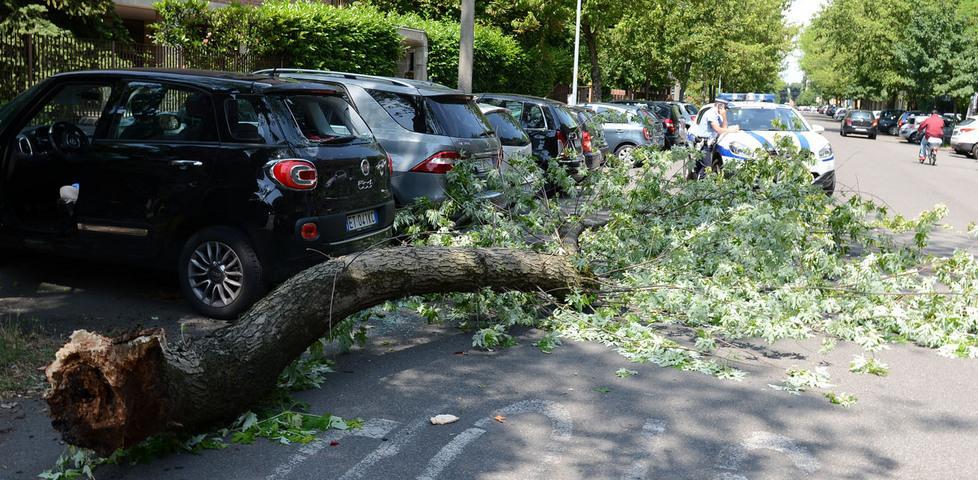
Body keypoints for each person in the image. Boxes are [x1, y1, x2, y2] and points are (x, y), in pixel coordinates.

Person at [690, 98, 739, 179]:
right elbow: (718, 130)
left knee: (701, 168)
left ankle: (696, 186)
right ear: (720, 106)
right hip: (704, 145)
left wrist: (724, 116)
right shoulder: (711, 114)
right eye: (725, 108)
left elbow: (724, 127)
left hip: (708, 144)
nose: (726, 110)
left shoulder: (717, 115)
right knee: (706, 169)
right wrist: (731, 130)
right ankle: (701, 189)